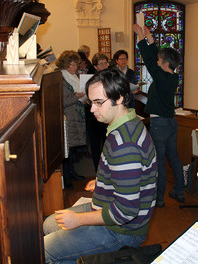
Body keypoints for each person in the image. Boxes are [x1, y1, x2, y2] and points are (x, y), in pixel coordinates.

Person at [43, 68, 158, 263]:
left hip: (122, 230)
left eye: (98, 103)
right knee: (48, 224)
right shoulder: (126, 122)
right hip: (109, 210)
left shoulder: (125, 145)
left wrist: (78, 220)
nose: (92, 109)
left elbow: (125, 212)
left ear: (119, 98)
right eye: (91, 102)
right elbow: (130, 173)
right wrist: (103, 181)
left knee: (45, 251)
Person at [133, 23, 184, 208]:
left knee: (159, 162)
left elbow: (148, 59)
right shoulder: (172, 76)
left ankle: (159, 199)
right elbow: (155, 58)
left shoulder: (161, 76)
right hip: (171, 123)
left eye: (159, 61)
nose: (156, 62)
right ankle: (179, 192)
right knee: (175, 158)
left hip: (160, 125)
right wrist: (151, 39)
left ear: (165, 64)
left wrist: (140, 37)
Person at [56, 50, 87, 190]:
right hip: (68, 118)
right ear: (66, 65)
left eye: (76, 65)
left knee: (73, 150)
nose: (76, 68)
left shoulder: (75, 76)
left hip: (77, 115)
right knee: (67, 151)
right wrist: (76, 95)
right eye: (73, 65)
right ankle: (66, 179)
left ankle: (72, 173)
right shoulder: (60, 78)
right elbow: (61, 101)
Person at [85, 52, 109, 171]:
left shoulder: (110, 77)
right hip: (93, 116)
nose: (104, 66)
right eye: (101, 64)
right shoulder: (90, 79)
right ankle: (97, 169)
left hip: (106, 116)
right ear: (95, 66)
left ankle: (106, 168)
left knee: (107, 144)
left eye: (105, 63)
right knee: (95, 145)